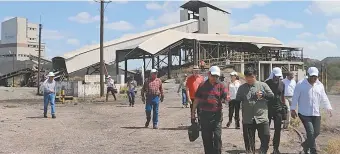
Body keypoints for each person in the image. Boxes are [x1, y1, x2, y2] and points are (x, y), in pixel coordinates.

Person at [291, 67, 333, 154]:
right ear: (308, 75)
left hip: (316, 113)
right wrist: (293, 108)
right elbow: (295, 97)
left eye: (315, 77)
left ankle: (305, 145)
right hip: (304, 113)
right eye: (312, 76)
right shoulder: (300, 84)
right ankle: (314, 151)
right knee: (310, 132)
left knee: (316, 132)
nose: (314, 79)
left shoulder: (320, 85)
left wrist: (328, 107)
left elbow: (324, 97)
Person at [191, 66, 229, 154]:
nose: (215, 78)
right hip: (204, 116)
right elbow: (196, 100)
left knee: (217, 137)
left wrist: (227, 99)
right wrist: (193, 113)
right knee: (206, 138)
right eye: (213, 76)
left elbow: (226, 97)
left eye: (216, 76)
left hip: (217, 116)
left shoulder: (221, 85)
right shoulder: (202, 85)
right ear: (209, 74)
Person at [235, 68, 274, 154]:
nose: (249, 79)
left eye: (251, 77)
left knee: (265, 138)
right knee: (249, 142)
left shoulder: (263, 85)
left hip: (262, 118)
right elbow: (237, 102)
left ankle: (263, 151)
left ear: (255, 76)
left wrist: (264, 95)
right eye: (247, 77)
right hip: (247, 119)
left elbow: (271, 96)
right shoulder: (242, 88)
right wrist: (236, 118)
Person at [264, 67, 286, 154]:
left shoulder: (282, 84)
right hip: (268, 108)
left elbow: (282, 96)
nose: (277, 78)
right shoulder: (267, 83)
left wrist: (284, 107)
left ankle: (276, 148)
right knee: (266, 129)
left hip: (278, 109)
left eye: (279, 76)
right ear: (272, 75)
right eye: (276, 76)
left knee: (278, 129)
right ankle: (265, 146)